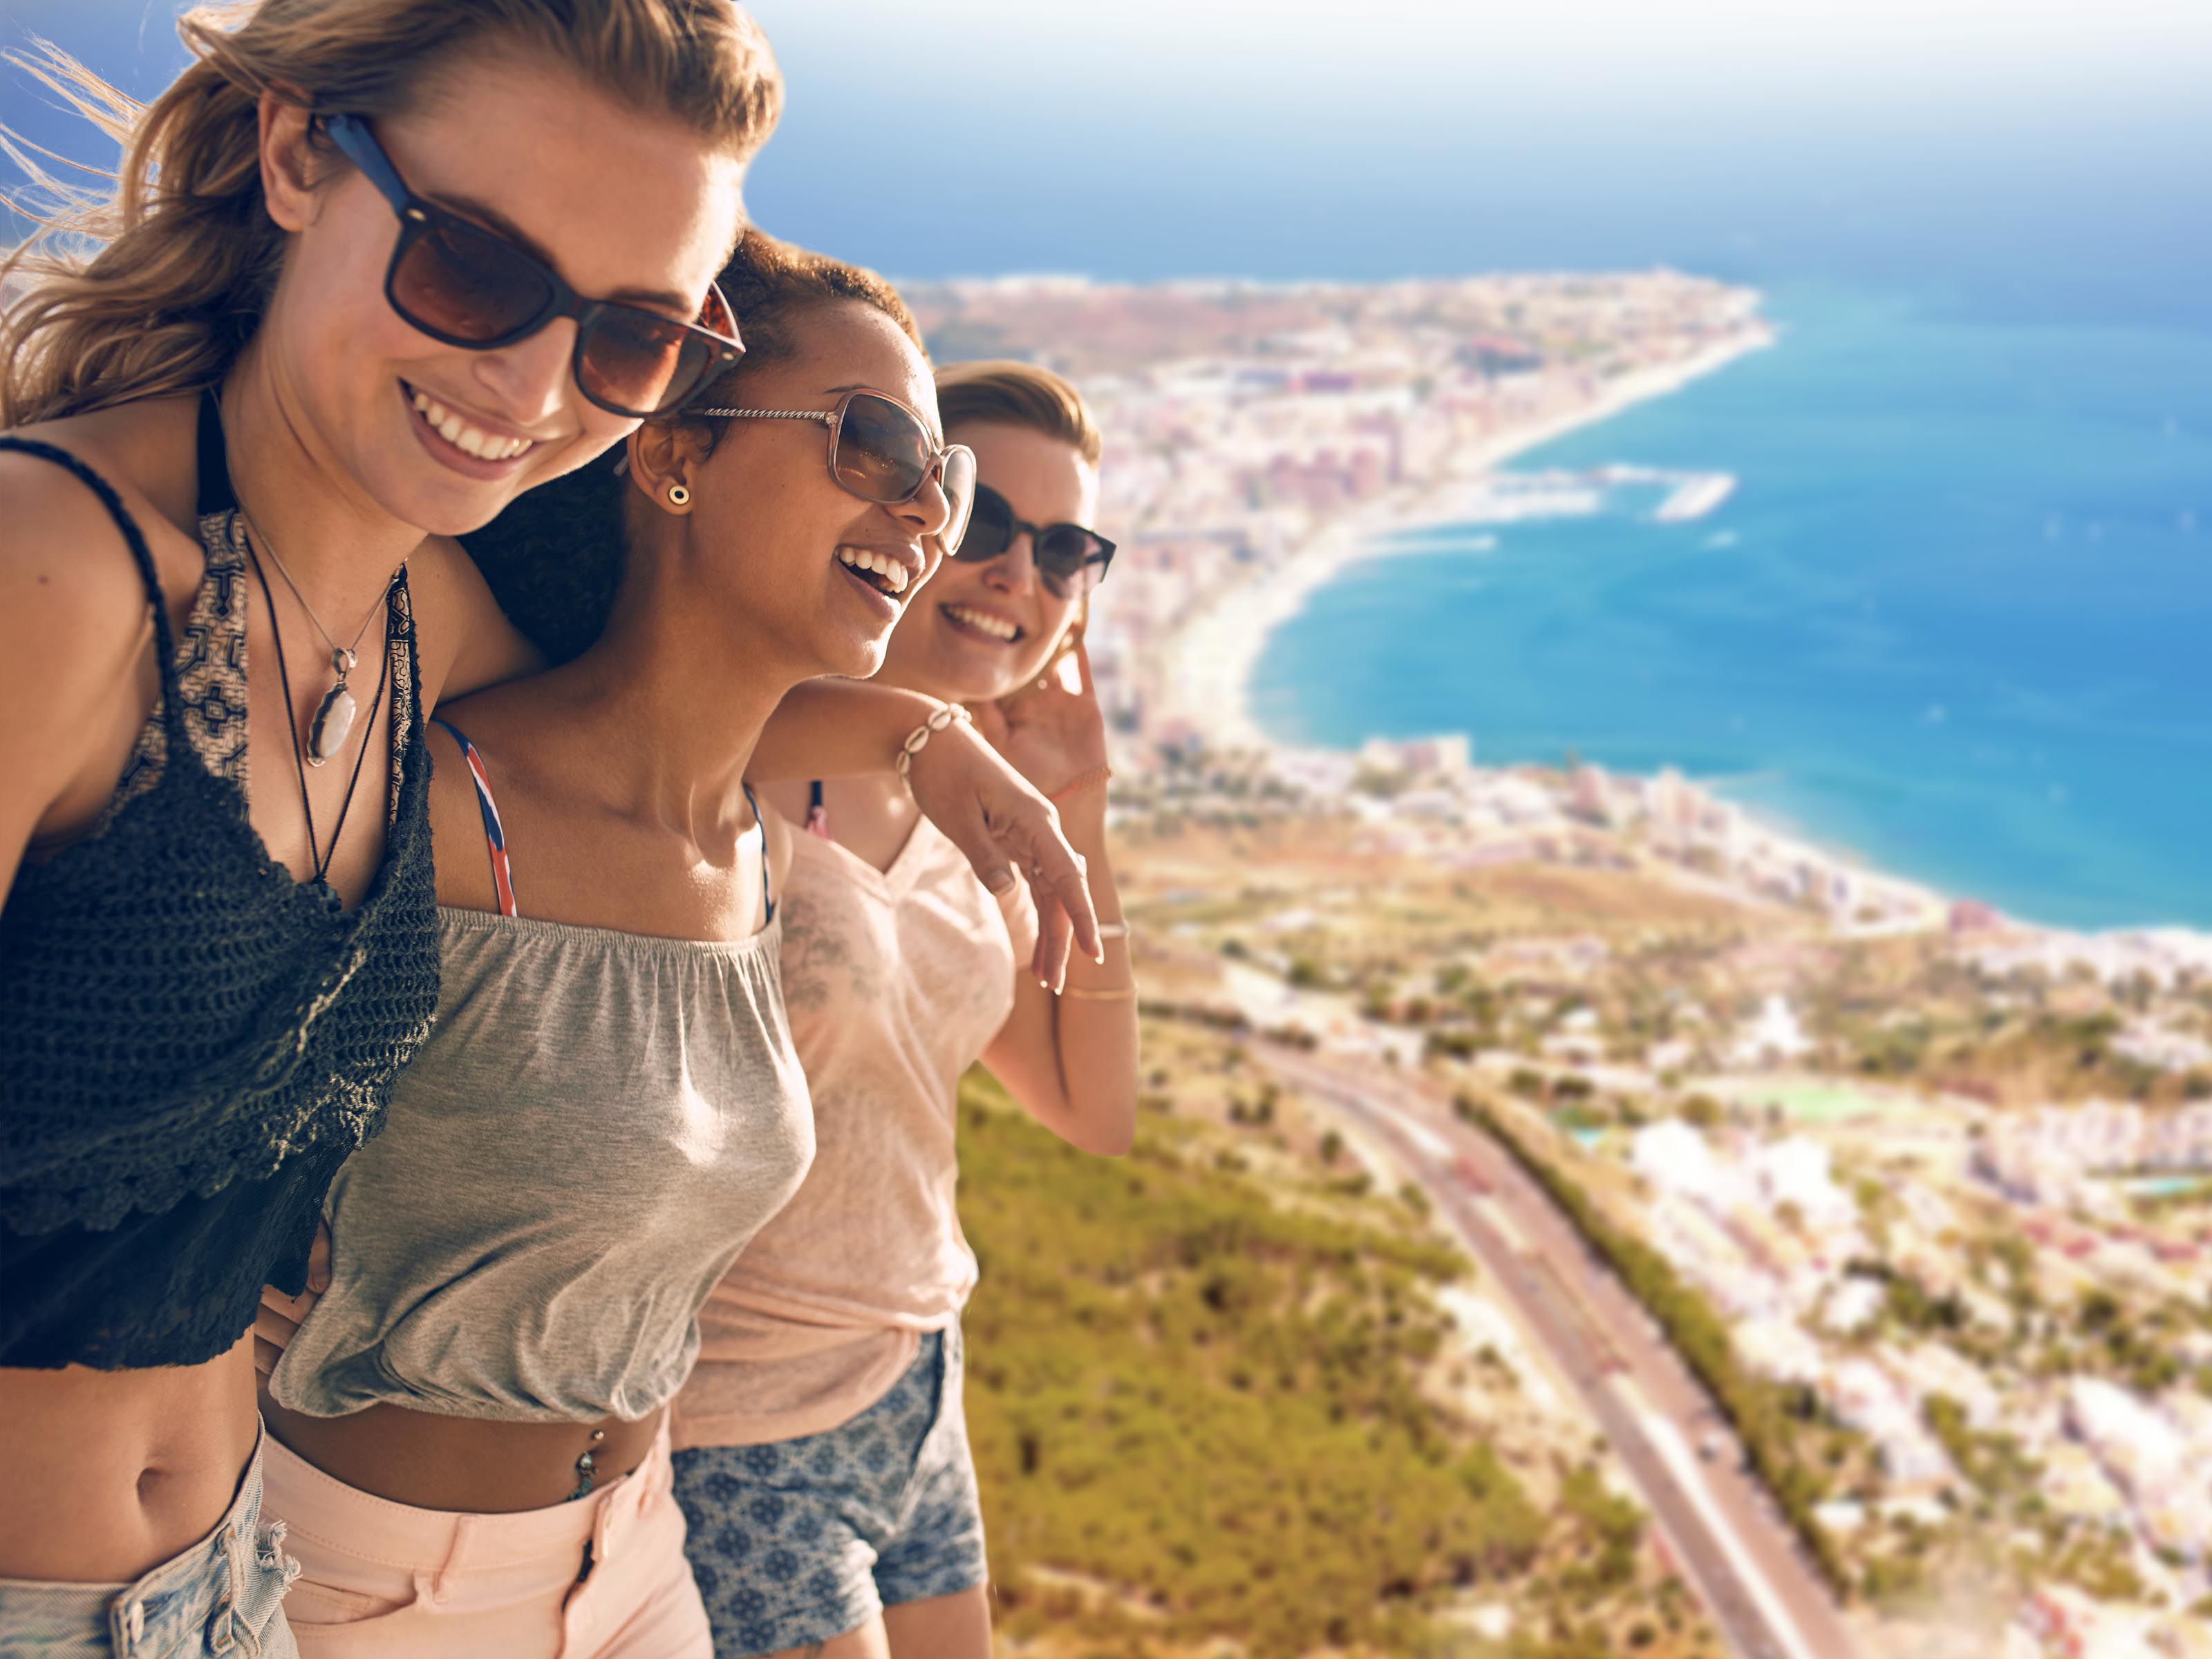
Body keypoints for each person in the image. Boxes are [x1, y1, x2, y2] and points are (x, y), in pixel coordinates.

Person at [1, 6, 1091, 1651]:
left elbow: (661, 724)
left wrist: (937, 740)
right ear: (300, 155)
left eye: (628, 336)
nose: (529, 385)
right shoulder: (61, 573)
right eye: (471, 269)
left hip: (227, 1591)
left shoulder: (412, 611)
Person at [252, 234, 988, 1658]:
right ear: (672, 457)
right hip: (370, 1590)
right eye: (878, 442)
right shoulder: (447, 797)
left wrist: (933, 733)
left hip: (642, 1561)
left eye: (940, 480)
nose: (925, 511)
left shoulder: (754, 858)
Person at [669, 362, 1141, 1659]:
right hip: (742, 1420)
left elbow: (1094, 1110)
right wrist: (915, 731)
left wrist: (1078, 811)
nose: (1017, 578)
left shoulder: (973, 828)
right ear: (912, 518)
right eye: (985, 525)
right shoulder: (733, 750)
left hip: (924, 1384)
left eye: (1065, 553)